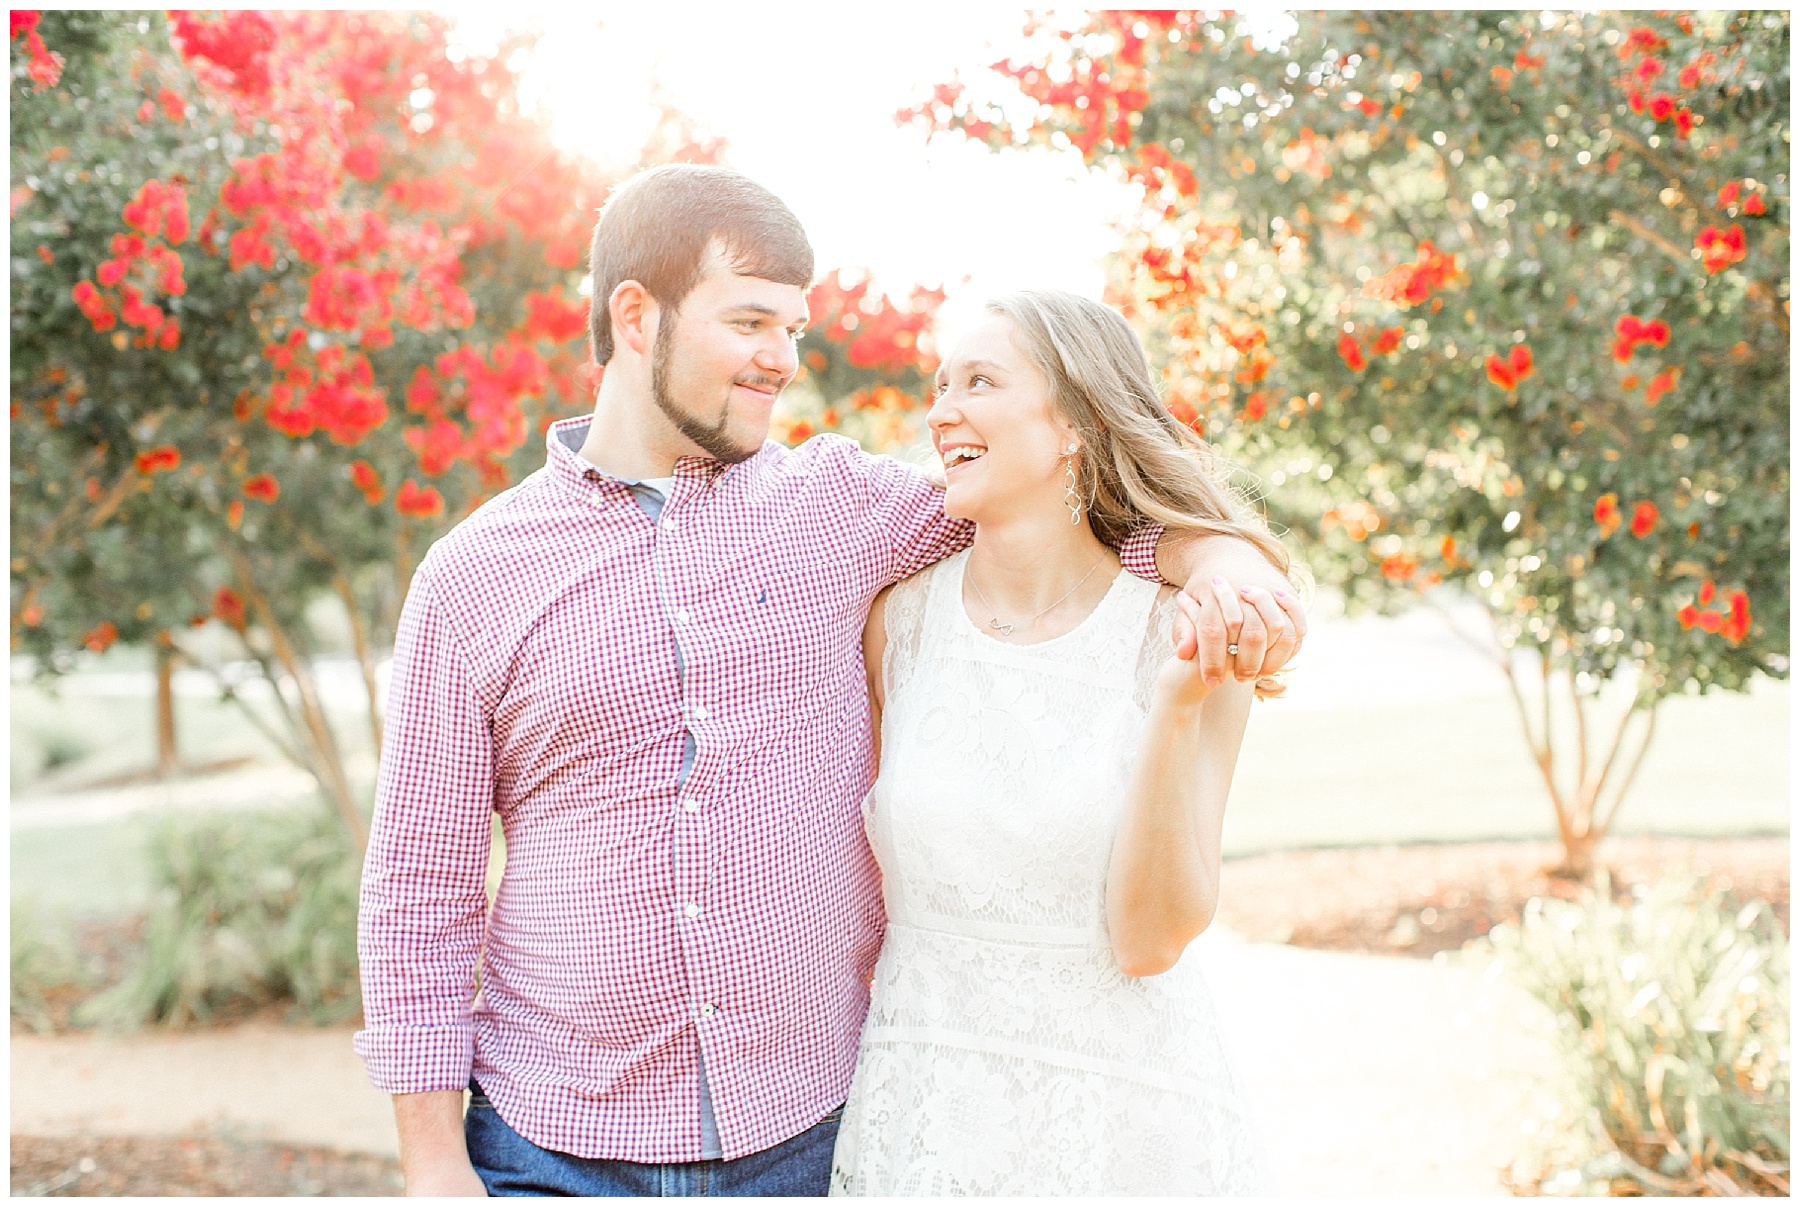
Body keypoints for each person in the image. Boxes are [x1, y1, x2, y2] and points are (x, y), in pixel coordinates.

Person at [354, 165, 1305, 1197]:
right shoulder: (472, 576)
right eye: (751, 322)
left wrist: (1225, 563)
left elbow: (1073, 517)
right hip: (548, 1143)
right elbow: (418, 886)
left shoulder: (844, 507)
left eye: (794, 330)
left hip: (808, 1140)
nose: (782, 360)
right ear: (637, 316)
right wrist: (431, 1161)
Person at [830, 290, 1288, 1196]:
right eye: (940, 383)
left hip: (1120, 1125)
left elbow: (1152, 939)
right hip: (921, 1116)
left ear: (1075, 421)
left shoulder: (1190, 629)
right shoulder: (898, 625)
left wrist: (1175, 703)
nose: (941, 409)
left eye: (981, 381)